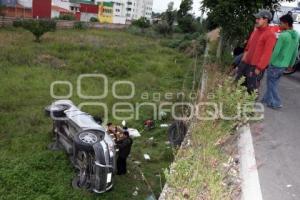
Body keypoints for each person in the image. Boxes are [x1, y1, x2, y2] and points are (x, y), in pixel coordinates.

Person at [262, 14, 300, 109]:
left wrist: (269, 62)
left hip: (275, 64)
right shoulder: (296, 36)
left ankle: (277, 102)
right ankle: (266, 99)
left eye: (281, 23)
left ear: (286, 24)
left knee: (271, 83)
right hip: (284, 65)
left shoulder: (283, 35)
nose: (279, 25)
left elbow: (276, 51)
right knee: (273, 83)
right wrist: (291, 64)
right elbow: (295, 51)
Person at [236, 10, 277, 93]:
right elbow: (248, 47)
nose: (256, 20)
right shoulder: (255, 31)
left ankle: (247, 106)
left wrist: (259, 68)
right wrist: (242, 61)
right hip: (245, 64)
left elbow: (267, 54)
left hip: (255, 68)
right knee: (237, 87)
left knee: (251, 91)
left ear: (265, 20)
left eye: (258, 18)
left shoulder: (270, 35)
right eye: (256, 18)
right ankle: (236, 105)